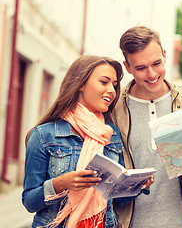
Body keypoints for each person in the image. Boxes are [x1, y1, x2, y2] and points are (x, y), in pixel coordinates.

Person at [22, 55, 152, 228]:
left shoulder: (111, 134)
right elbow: (29, 202)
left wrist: (138, 184)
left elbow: (118, 200)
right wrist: (59, 184)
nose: (112, 90)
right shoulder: (44, 135)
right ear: (81, 84)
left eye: (114, 84)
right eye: (104, 82)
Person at [110, 26, 182, 228]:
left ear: (164, 55)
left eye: (156, 63)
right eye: (141, 68)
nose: (152, 74)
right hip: (128, 223)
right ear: (127, 67)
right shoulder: (114, 109)